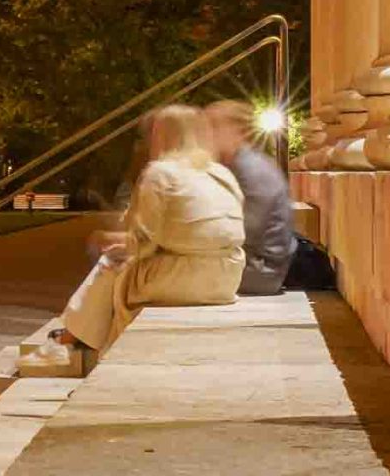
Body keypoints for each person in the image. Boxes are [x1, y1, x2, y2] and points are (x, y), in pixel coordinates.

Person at [49, 104, 244, 352]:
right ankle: (77, 331)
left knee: (112, 262)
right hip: (228, 277)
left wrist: (110, 239)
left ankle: (78, 334)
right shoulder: (221, 173)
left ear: (162, 136)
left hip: (182, 280)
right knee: (120, 257)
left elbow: (143, 243)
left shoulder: (159, 173)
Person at [204, 99, 297, 295]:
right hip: (250, 264)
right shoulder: (236, 165)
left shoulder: (253, 170)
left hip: (261, 272)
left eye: (213, 127)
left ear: (238, 131)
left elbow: (246, 230)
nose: (205, 135)